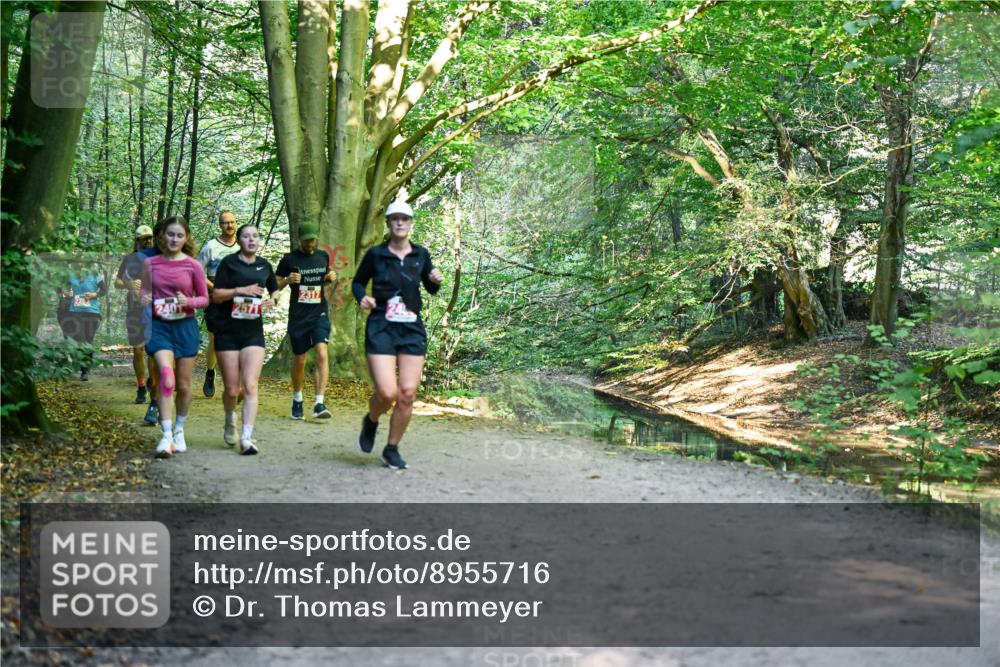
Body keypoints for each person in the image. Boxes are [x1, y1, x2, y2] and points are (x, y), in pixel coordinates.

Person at [352, 201, 442, 470]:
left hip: (411, 328)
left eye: (404, 218)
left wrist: (435, 280)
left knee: (407, 393)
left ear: (411, 223)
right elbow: (357, 282)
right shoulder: (376, 254)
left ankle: (391, 448)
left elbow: (429, 286)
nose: (399, 223)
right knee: (387, 392)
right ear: (388, 224)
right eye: (394, 219)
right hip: (381, 325)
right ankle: (371, 419)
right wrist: (362, 298)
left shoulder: (421, 255)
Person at [141, 215, 209, 459]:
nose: (174, 239)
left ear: (186, 238)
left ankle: (179, 429)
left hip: (185, 328)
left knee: (182, 384)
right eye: (170, 234)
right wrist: (145, 298)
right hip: (160, 329)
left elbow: (204, 299)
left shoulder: (193, 266)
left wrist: (187, 301)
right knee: (166, 378)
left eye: (179, 235)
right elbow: (145, 292)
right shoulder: (151, 264)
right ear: (162, 237)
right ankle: (166, 435)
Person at [209, 224, 279, 455]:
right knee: (232, 389)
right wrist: (241, 290)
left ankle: (247, 437)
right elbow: (217, 295)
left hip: (252, 332)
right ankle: (230, 419)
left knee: (250, 385)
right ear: (239, 240)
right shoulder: (229, 263)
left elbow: (275, 289)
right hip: (228, 331)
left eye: (255, 236)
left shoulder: (264, 265)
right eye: (246, 236)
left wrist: (273, 301)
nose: (251, 240)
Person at [275, 222, 336, 421]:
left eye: (313, 239)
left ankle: (319, 402)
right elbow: (274, 285)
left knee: (322, 351)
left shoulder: (322, 256)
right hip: (299, 316)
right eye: (307, 240)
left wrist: (329, 277)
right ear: (300, 239)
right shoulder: (289, 259)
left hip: (319, 313)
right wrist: (286, 281)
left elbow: (324, 278)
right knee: (299, 359)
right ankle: (297, 399)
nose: (310, 243)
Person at [197, 211, 239, 398]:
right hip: (215, 297)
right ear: (220, 225)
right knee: (215, 338)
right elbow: (198, 272)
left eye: (232, 222)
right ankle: (210, 372)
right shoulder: (211, 247)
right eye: (225, 223)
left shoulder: (242, 246)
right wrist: (214, 288)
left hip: (237, 298)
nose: (229, 226)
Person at [115, 225, 155, 403]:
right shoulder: (129, 259)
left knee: (153, 352)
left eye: (150, 237)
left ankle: (152, 382)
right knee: (138, 350)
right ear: (137, 241)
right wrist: (129, 285)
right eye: (145, 238)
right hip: (135, 309)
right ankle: (140, 387)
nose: (148, 241)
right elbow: (117, 282)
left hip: (155, 309)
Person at [59, 263, 107, 381]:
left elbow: (104, 290)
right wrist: (64, 293)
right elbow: (60, 289)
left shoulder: (94, 276)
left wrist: (94, 294)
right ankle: (83, 368)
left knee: (88, 341)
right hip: (75, 312)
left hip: (92, 313)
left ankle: (86, 370)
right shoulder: (70, 277)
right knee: (80, 339)